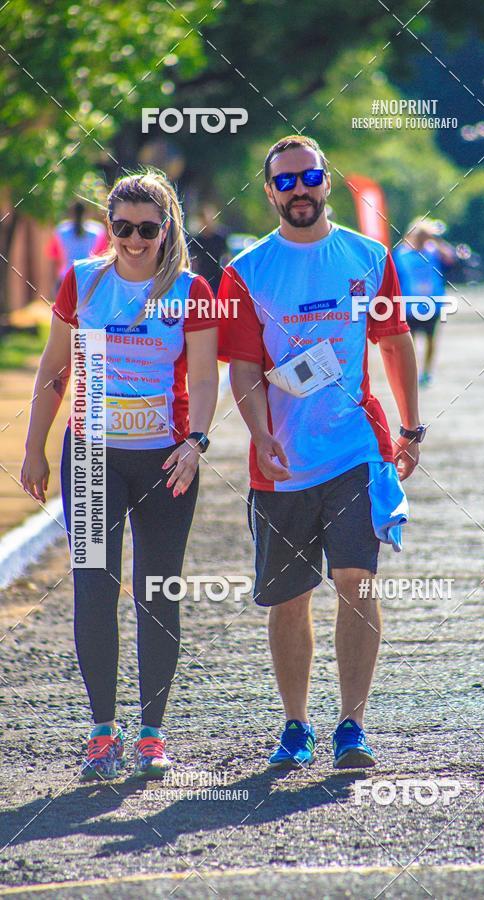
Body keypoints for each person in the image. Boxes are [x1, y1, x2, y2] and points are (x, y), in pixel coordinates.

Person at [218, 136, 424, 770]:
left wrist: (410, 428)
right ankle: (295, 725)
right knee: (288, 598)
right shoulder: (246, 270)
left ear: (327, 182)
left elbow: (393, 342)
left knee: (356, 584)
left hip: (355, 448)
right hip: (281, 461)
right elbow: (246, 368)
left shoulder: (368, 254)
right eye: (286, 182)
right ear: (269, 191)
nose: (299, 190)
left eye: (309, 178)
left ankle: (352, 727)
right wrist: (261, 433)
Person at [21, 171, 219, 781]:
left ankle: (152, 733)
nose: (134, 240)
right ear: (110, 228)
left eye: (147, 229)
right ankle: (102, 731)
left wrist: (196, 444)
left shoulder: (192, 291)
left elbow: (207, 380)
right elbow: (55, 371)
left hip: (164, 460)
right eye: (123, 228)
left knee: (159, 593)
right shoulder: (83, 280)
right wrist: (35, 449)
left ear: (167, 230)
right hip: (93, 455)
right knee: (94, 589)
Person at [392, 218, 455, 387]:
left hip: (433, 304)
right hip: (409, 305)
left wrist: (436, 238)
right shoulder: (402, 253)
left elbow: (450, 258)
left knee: (430, 339)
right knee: (408, 342)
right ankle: (410, 372)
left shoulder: (434, 251)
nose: (421, 239)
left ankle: (426, 372)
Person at [45, 201, 107, 293]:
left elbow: (54, 255)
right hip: (89, 281)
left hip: (66, 279)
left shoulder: (61, 231)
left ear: (71, 213)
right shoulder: (98, 231)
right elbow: (103, 256)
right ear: (87, 213)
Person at [188, 202, 230, 292]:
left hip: (218, 280)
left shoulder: (220, 238)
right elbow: (193, 261)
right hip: (203, 279)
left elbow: (226, 258)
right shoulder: (196, 240)